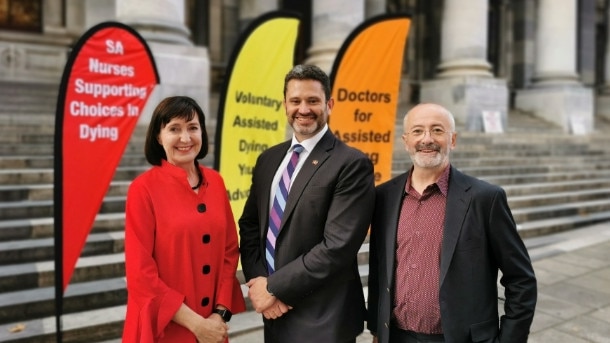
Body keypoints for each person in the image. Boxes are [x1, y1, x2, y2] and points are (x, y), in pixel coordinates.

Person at [367, 103, 537, 343]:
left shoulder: (485, 198)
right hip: (395, 337)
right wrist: (377, 329)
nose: (426, 139)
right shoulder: (383, 196)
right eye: (417, 131)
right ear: (405, 141)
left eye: (437, 130)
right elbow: (379, 270)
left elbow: (521, 279)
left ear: (453, 139)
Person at [238, 64, 376, 343]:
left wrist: (274, 288)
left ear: (329, 104)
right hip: (274, 314)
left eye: (313, 100)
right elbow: (251, 225)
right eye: (295, 101)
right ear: (285, 105)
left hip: (324, 318)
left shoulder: (351, 163)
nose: (304, 109)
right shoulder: (269, 159)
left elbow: (337, 246)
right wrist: (258, 283)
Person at [122, 96, 246, 342]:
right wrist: (196, 324)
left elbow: (229, 251)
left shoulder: (216, 182)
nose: (186, 138)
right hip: (165, 328)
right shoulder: (143, 189)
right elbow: (140, 274)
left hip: (212, 326)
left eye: (192, 128)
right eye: (174, 129)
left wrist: (220, 313)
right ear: (159, 136)